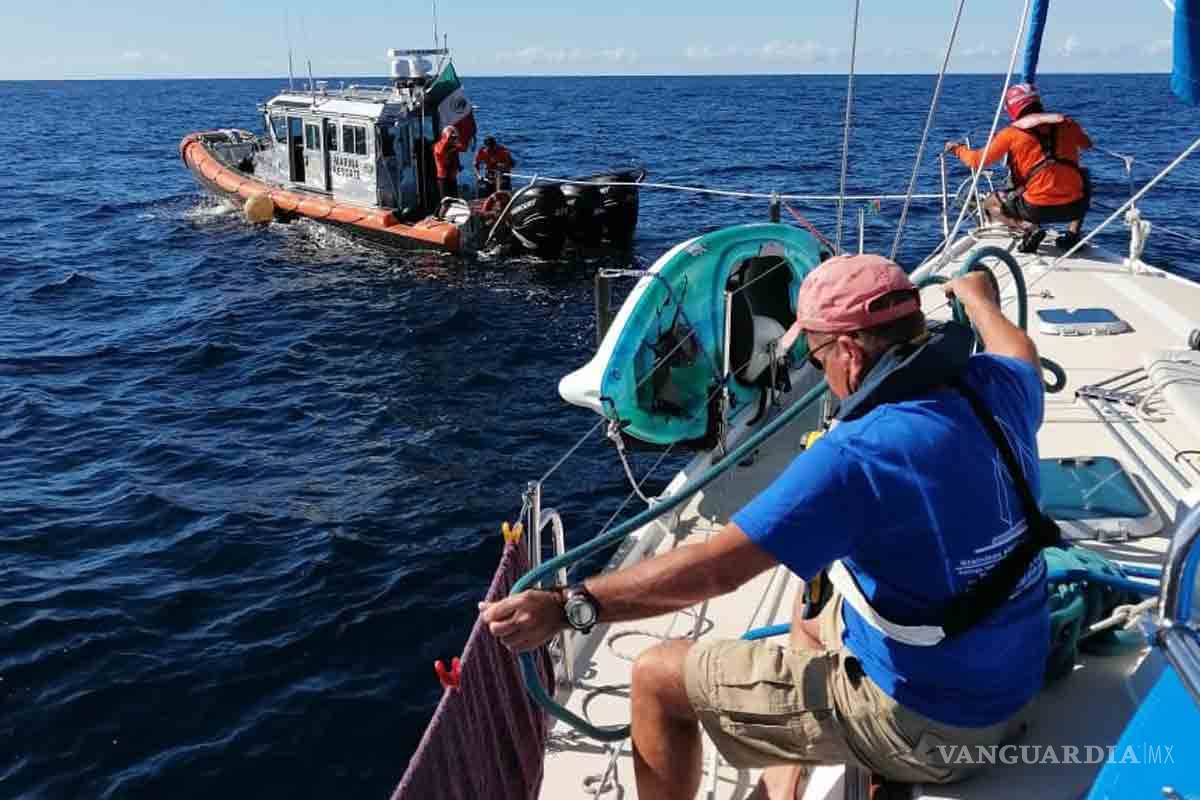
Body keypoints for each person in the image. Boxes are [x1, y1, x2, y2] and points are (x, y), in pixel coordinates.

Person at [481, 254, 1050, 800]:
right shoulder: (998, 387)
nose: (816, 366)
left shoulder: (857, 456)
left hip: (934, 730)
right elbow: (1017, 348)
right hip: (1016, 682)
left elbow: (715, 571)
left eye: (816, 350)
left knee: (657, 678)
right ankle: (785, 775)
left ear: (849, 351)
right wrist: (980, 301)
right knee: (810, 610)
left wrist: (569, 606)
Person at [946, 83, 1092, 253]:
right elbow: (1087, 144)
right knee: (1084, 178)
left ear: (1012, 108)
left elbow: (976, 161)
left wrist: (957, 149)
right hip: (1075, 207)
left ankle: (1028, 228)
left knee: (989, 203)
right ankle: (1073, 235)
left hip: (1035, 209)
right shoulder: (1068, 124)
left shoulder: (1010, 134)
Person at [433, 125, 465, 201]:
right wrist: (449, 143)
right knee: (445, 200)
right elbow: (441, 154)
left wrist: (458, 166)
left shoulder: (453, 147)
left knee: (454, 198)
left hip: (452, 175)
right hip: (443, 177)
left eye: (454, 138)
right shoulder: (439, 146)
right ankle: (440, 212)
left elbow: (462, 148)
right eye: (452, 138)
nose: (453, 140)